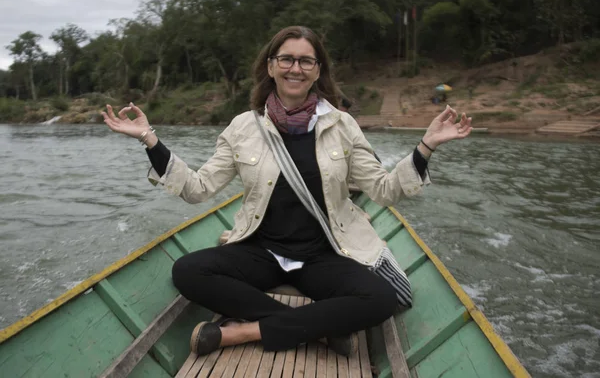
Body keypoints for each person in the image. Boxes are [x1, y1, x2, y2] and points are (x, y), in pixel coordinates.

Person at [101, 26, 472, 357]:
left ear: (318, 71)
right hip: (260, 251)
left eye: (306, 61)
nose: (296, 68)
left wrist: (426, 146)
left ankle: (246, 331)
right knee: (187, 271)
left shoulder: (343, 126)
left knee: (380, 298)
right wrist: (149, 139)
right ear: (270, 66)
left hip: (324, 253)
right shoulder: (243, 127)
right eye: (287, 59)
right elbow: (199, 188)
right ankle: (317, 331)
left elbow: (384, 189)